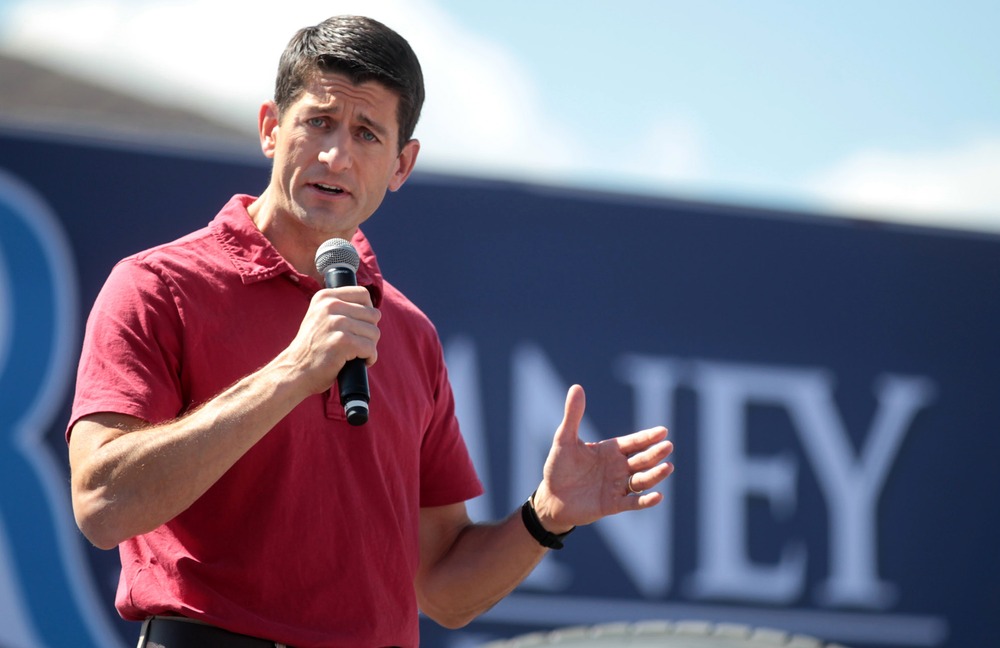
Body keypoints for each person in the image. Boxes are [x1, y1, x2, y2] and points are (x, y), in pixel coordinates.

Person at [67, 14, 674, 648]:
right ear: (272, 129)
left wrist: (544, 518)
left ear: (401, 164)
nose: (336, 155)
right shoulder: (156, 286)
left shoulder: (411, 335)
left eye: (366, 133)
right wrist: (292, 372)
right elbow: (103, 504)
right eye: (318, 122)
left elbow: (442, 590)